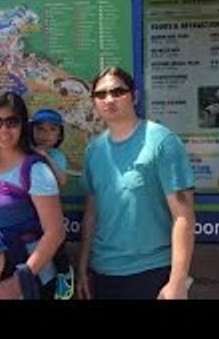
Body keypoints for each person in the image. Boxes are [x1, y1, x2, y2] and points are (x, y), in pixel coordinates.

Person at [77, 67, 195, 300]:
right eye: (101, 94)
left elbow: (184, 216)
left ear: (135, 97)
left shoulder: (162, 142)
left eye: (117, 91)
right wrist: (82, 267)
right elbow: (91, 214)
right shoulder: (94, 151)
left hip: (151, 271)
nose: (109, 99)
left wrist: (177, 282)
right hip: (103, 273)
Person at [0, 92, 66, 299]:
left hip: (31, 281)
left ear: (23, 126)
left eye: (12, 121)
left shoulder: (36, 170)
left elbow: (55, 232)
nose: (4, 129)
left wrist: (19, 282)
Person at [29, 107, 74, 299]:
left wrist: (46, 157)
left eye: (52, 129)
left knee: (57, 248)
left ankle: (64, 277)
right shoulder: (26, 153)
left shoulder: (57, 156)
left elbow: (62, 181)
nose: (46, 135)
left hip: (53, 215)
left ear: (59, 134)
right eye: (40, 129)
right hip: (31, 215)